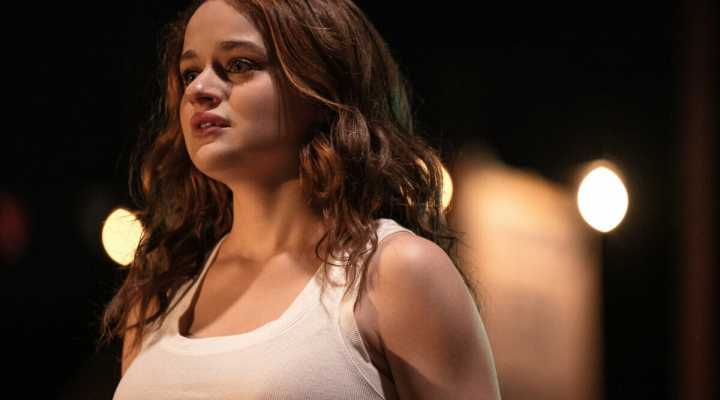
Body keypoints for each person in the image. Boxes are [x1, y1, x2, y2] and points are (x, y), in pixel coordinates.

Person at [98, 0, 501, 398]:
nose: (199, 89)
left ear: (320, 86)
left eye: (239, 64)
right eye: (189, 73)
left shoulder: (395, 272)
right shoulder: (161, 292)